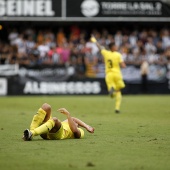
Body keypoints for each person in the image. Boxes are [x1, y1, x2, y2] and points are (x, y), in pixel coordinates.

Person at [91, 36, 126, 113]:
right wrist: (123, 65)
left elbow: (99, 47)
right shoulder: (118, 55)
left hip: (109, 74)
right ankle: (117, 108)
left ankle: (112, 93)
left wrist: (94, 40)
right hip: (117, 74)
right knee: (118, 90)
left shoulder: (106, 53)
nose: (116, 47)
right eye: (115, 46)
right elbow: (123, 65)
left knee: (112, 90)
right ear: (113, 47)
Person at [22, 103, 94, 141]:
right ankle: (30, 132)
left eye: (76, 123)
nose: (74, 122)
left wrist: (68, 114)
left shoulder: (80, 131)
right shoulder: (67, 122)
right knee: (46, 106)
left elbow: (75, 130)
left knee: (55, 120)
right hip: (47, 130)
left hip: (57, 135)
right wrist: (87, 126)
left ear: (77, 126)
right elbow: (74, 119)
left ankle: (32, 133)